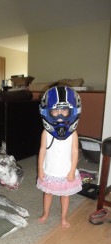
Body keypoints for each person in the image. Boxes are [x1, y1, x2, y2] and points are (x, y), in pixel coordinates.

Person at [36, 86, 82, 228]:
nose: (60, 114)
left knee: (65, 195)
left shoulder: (73, 133)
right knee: (48, 193)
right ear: (48, 112)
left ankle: (63, 217)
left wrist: (72, 170)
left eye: (64, 110)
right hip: (50, 170)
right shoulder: (46, 132)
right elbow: (42, 150)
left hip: (65, 171)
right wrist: (40, 169)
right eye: (56, 111)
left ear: (72, 111)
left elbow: (75, 152)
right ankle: (46, 213)